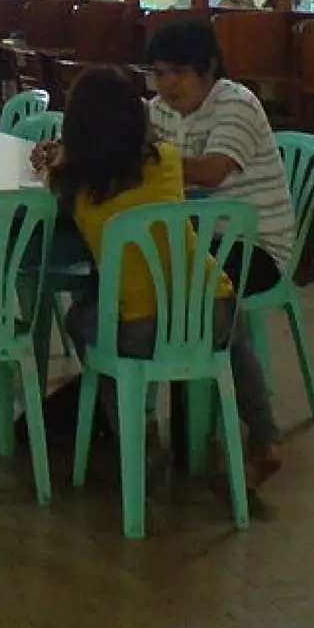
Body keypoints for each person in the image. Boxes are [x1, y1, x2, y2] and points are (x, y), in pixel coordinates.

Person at [38, 65, 281, 494]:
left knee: (85, 322)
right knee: (232, 327)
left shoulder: (70, 183)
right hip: (208, 310)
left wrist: (58, 159)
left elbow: (60, 189)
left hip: (137, 328)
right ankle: (265, 436)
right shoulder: (166, 160)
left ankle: (140, 437)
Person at [140, 20, 297, 320]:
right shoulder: (160, 108)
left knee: (161, 283)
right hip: (196, 237)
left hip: (253, 246)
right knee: (126, 267)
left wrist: (143, 158)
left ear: (209, 66)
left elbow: (212, 172)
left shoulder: (236, 102)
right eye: (159, 74)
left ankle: (213, 347)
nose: (167, 84)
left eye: (179, 72)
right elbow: (121, 127)